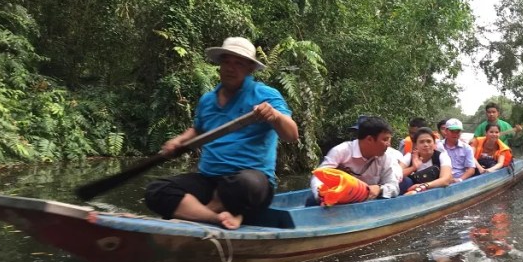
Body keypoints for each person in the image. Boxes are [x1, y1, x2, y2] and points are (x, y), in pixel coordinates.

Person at [144, 37, 299, 229]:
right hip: (210, 179)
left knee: (246, 184)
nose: (230, 68)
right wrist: (180, 140)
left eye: (238, 63)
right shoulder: (208, 100)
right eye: (226, 62)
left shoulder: (266, 95)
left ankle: (203, 212)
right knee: (157, 190)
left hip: (248, 185)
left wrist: (274, 116)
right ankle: (214, 218)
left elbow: (291, 135)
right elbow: (199, 130)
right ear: (219, 64)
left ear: (250, 68)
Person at [310, 116, 399, 203]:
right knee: (312, 201)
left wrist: (379, 189)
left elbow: (394, 186)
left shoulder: (386, 157)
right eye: (385, 140)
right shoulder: (341, 151)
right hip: (340, 200)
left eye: (389, 140)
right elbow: (319, 176)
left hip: (369, 201)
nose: (388, 145)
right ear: (369, 139)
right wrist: (321, 195)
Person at [399, 127, 452, 194]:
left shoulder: (442, 156)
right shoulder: (410, 157)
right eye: (421, 142)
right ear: (415, 145)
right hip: (411, 194)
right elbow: (395, 175)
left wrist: (423, 186)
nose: (426, 145)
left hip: (436, 192)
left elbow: (446, 180)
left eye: (429, 141)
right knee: (405, 181)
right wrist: (413, 168)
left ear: (434, 143)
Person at [438, 118, 476, 184]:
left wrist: (460, 179)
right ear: (446, 131)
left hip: (460, 181)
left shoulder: (466, 148)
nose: (455, 134)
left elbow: (471, 169)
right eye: (452, 131)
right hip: (441, 180)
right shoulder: (438, 146)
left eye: (458, 131)